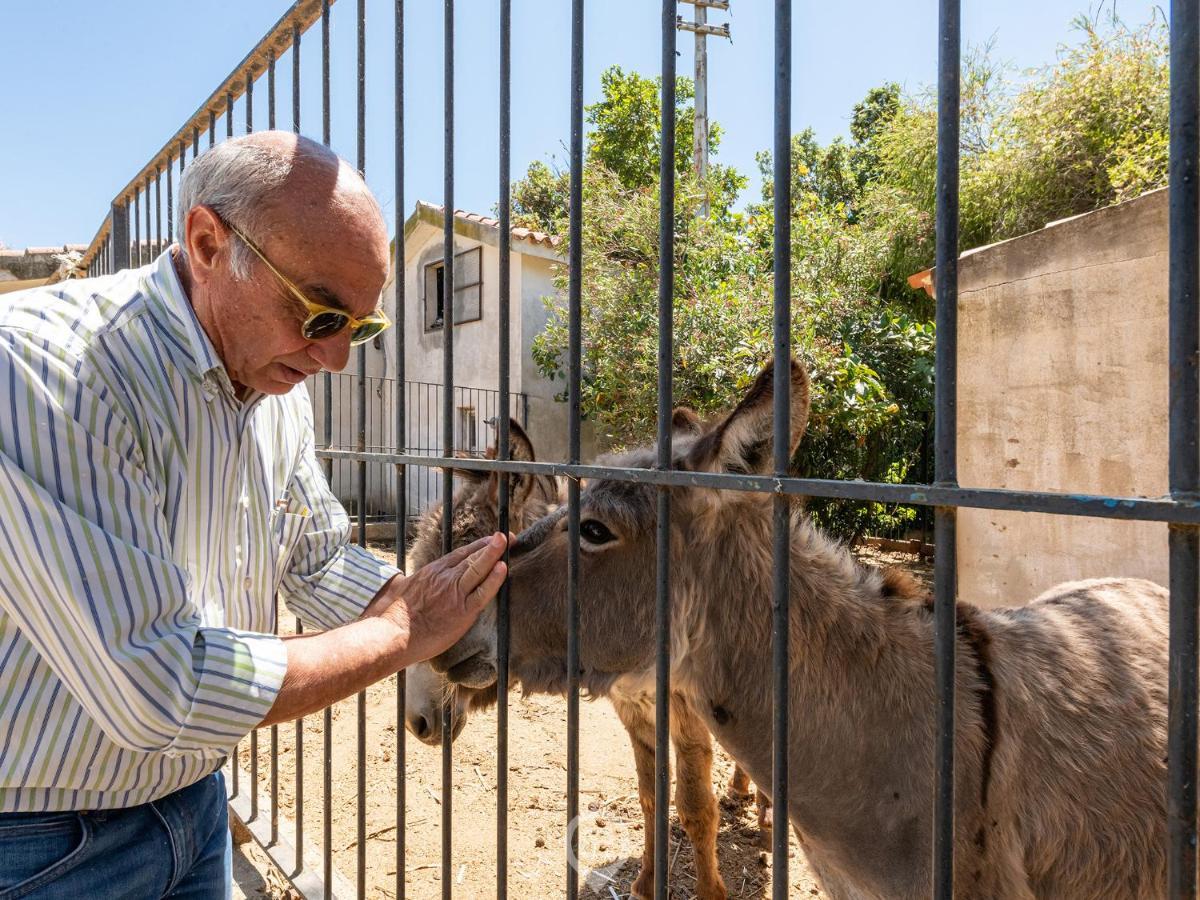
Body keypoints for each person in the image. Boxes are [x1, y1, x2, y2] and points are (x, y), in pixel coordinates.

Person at [0, 132, 506, 899]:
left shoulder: (272, 388)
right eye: (319, 314)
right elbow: (162, 689)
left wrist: (459, 606)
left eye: (359, 329)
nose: (335, 359)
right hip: (42, 851)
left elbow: (319, 558)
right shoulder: (45, 372)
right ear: (208, 242)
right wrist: (403, 633)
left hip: (196, 809)